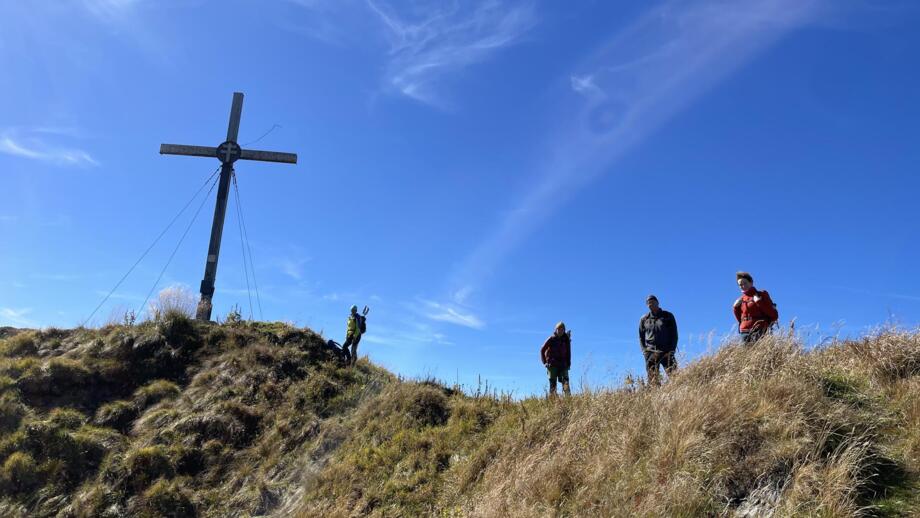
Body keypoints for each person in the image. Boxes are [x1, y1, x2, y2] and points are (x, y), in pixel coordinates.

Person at [639, 295, 678, 386]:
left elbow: (674, 334)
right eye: (648, 303)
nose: (650, 304)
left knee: (675, 376)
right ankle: (657, 396)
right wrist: (645, 351)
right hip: (651, 352)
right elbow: (641, 337)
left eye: (652, 301)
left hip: (666, 351)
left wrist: (672, 350)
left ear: (657, 302)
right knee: (653, 380)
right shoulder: (644, 319)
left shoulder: (668, 316)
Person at [733, 271, 778, 343]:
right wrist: (735, 308)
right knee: (747, 354)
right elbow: (740, 319)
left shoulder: (761, 294)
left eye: (745, 283)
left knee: (762, 353)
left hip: (760, 330)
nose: (743, 286)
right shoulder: (741, 299)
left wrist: (759, 302)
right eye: (740, 285)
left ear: (751, 282)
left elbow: (773, 314)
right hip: (744, 332)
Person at [540, 322, 572, 397]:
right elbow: (542, 350)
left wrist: (568, 363)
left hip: (563, 365)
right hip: (552, 365)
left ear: (564, 330)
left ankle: (568, 399)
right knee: (553, 384)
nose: (560, 331)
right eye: (559, 329)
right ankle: (553, 401)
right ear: (556, 330)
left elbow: (568, 352)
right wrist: (545, 362)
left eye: (562, 329)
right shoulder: (551, 339)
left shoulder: (566, 340)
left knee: (565, 382)